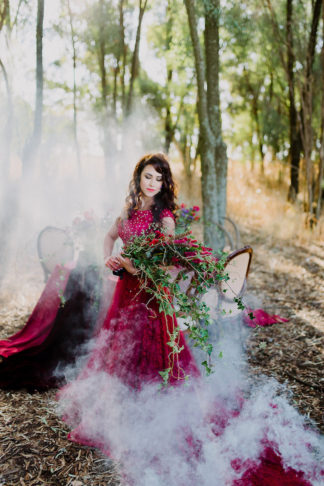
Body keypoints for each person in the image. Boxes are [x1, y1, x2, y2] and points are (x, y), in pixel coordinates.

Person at [58, 153, 321, 486]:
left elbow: (159, 267)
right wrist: (109, 260)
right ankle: (121, 409)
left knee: (154, 352)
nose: (151, 183)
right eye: (147, 176)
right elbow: (110, 237)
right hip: (126, 295)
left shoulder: (164, 218)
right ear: (138, 177)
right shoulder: (127, 211)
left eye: (158, 178)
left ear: (165, 183)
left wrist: (130, 267)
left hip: (152, 295)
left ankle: (155, 411)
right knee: (120, 349)